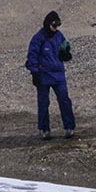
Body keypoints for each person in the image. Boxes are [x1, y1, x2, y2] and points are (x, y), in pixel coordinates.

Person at [25, 11, 76, 139]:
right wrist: (34, 73)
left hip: (58, 75)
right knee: (43, 103)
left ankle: (69, 127)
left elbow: (65, 50)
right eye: (54, 25)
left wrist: (66, 54)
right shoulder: (38, 38)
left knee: (64, 101)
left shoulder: (59, 36)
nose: (56, 28)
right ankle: (44, 129)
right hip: (43, 76)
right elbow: (32, 56)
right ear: (48, 24)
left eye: (57, 25)